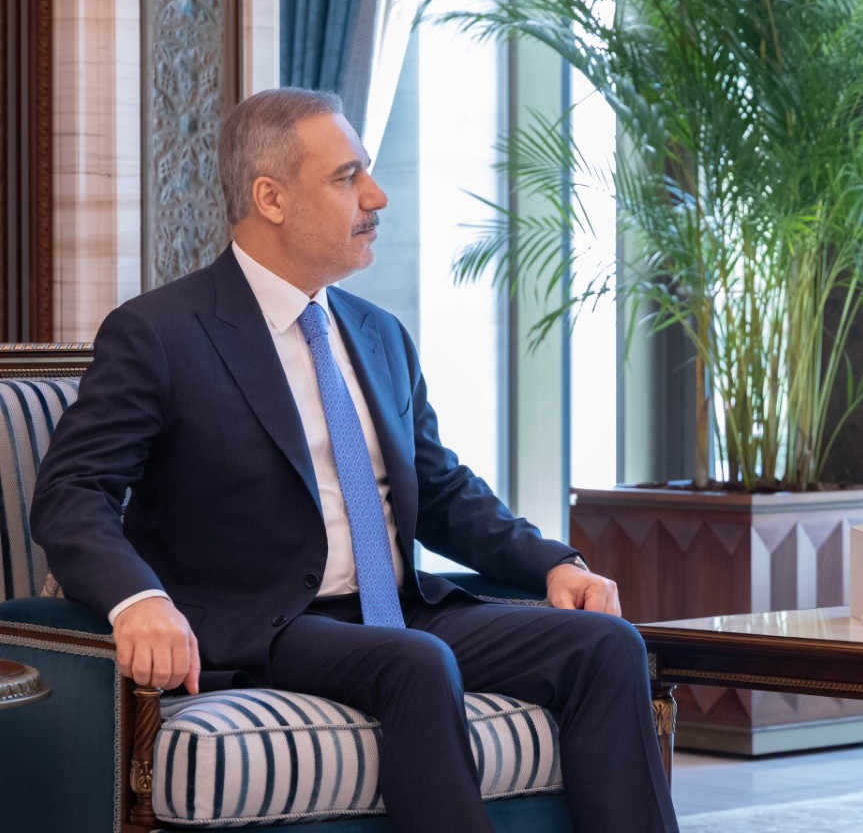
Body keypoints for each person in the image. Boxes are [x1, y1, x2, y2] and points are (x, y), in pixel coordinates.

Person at [32, 88, 678, 833]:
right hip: (266, 620)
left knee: (603, 645)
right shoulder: (161, 333)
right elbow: (72, 492)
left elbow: (440, 490)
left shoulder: (378, 334)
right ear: (270, 198)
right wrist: (138, 601)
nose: (376, 195)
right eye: (346, 178)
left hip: (398, 610)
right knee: (414, 663)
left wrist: (551, 564)